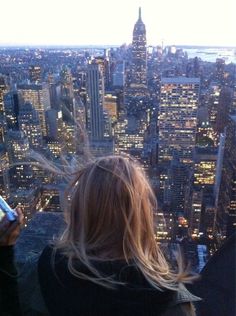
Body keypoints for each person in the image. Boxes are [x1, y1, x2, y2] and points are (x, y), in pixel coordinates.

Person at [0, 155, 200, 316]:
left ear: (80, 211)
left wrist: (4, 251)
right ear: (142, 217)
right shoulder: (173, 302)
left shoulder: (40, 276)